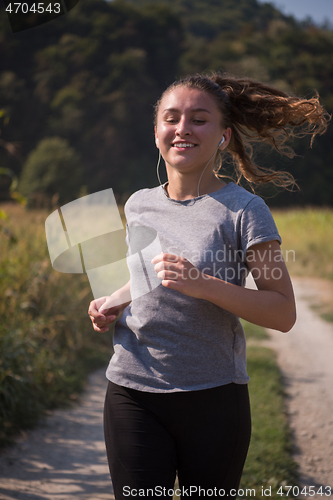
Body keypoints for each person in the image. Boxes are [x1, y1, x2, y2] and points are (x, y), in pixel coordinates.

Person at [88, 73, 329, 499]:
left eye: (199, 119)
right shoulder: (139, 203)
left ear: (223, 136)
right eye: (172, 118)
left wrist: (204, 284)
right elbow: (146, 276)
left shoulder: (244, 210)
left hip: (213, 398)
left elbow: (283, 312)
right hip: (132, 389)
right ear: (158, 131)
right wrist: (113, 302)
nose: (183, 128)